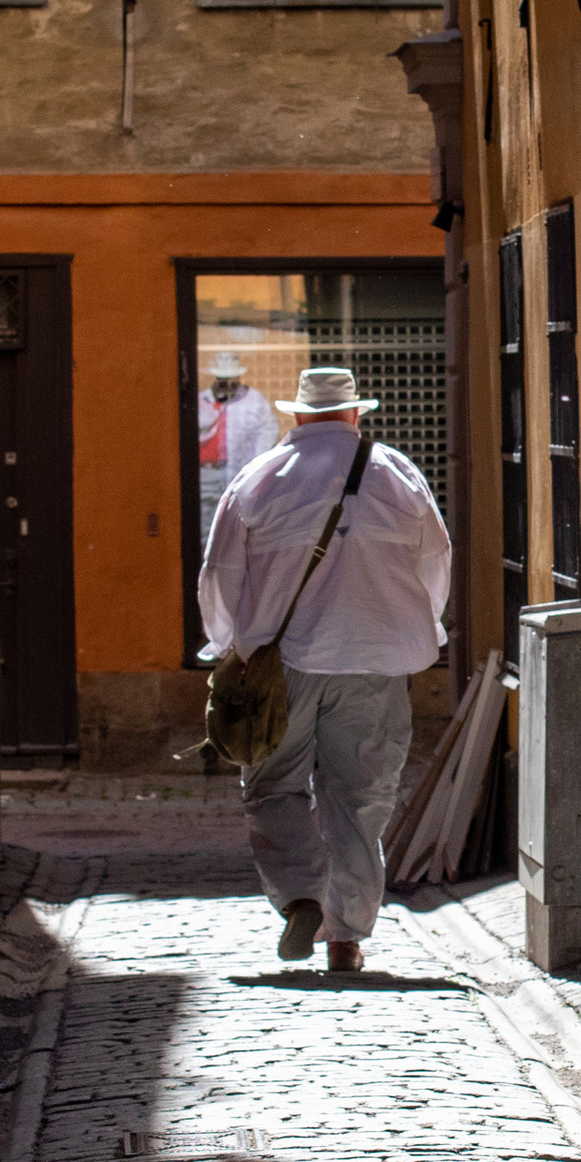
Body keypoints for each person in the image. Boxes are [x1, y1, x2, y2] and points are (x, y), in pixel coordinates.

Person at [198, 364, 451, 975]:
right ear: (356, 414)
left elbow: (221, 575)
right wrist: (423, 631)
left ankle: (300, 896)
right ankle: (346, 938)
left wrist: (229, 645)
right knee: (362, 798)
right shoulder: (399, 475)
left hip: (282, 666)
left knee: (273, 785)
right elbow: (434, 563)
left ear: (296, 415)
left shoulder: (259, 479)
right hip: (377, 661)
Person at [201, 349, 277, 483]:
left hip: (241, 472)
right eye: (223, 379)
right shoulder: (203, 400)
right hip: (206, 474)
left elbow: (268, 430)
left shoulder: (254, 399)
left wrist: (256, 465)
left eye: (232, 378)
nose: (228, 383)